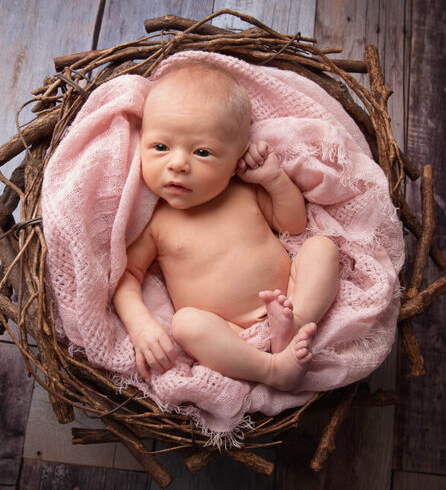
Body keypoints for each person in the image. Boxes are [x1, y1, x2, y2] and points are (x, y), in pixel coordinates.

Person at [112, 61, 341, 391]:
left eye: (202, 152)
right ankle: (272, 368)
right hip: (227, 334)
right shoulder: (155, 221)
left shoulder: (244, 191)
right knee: (186, 324)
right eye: (160, 147)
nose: (177, 163)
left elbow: (294, 225)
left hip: (289, 299)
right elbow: (127, 277)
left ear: (236, 161)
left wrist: (275, 179)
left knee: (322, 248)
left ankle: (295, 326)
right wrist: (141, 325)